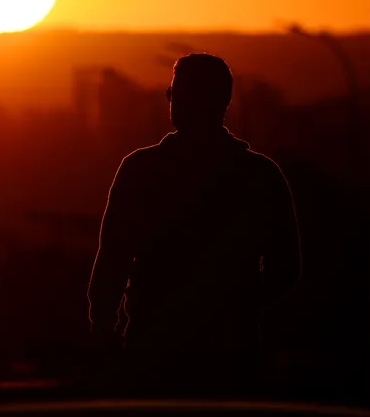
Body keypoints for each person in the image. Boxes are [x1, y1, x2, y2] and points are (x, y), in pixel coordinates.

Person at [87, 54, 301, 398]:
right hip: (227, 355)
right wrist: (236, 306)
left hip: (157, 349)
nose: (179, 103)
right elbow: (286, 270)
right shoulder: (259, 176)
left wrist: (104, 332)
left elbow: (111, 264)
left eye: (182, 95)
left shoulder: (140, 171)